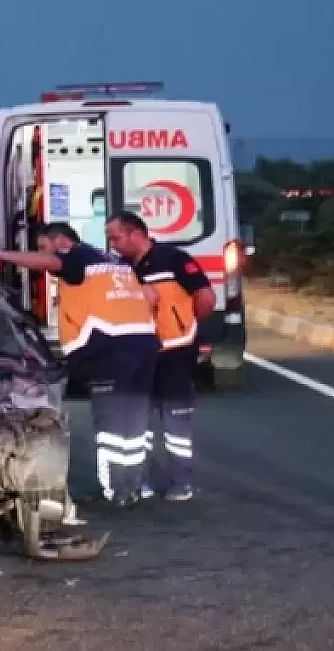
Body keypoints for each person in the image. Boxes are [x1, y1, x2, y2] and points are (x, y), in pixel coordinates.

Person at [0, 222, 159, 507]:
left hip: (109, 350)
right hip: (144, 344)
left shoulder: (78, 257)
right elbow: (151, 296)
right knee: (133, 421)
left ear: (61, 241)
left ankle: (115, 492)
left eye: (43, 246)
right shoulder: (113, 262)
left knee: (110, 423)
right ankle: (134, 486)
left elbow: (48, 262)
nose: (44, 255)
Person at [106, 211, 216, 502]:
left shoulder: (174, 259)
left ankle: (182, 481)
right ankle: (139, 481)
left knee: (175, 418)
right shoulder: (120, 267)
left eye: (115, 237)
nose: (112, 244)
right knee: (137, 419)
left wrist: (186, 326)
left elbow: (205, 298)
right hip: (139, 352)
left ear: (136, 234)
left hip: (176, 350)